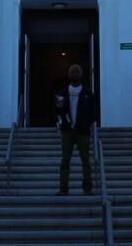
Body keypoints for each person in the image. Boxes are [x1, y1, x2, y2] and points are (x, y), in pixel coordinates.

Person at [55, 64, 97, 196]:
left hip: (82, 132)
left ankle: (87, 189)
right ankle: (63, 189)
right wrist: (61, 123)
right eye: (72, 72)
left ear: (81, 75)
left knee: (86, 161)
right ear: (69, 75)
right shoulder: (62, 92)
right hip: (67, 131)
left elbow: (94, 111)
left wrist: (86, 123)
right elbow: (57, 110)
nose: (74, 75)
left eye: (77, 72)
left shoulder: (87, 93)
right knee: (65, 160)